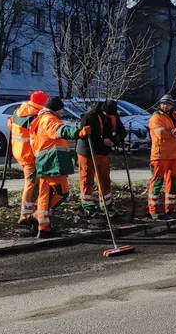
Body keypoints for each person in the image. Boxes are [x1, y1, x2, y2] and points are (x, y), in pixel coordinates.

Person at [29, 97, 88, 238]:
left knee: (44, 194)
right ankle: (38, 217)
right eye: (62, 109)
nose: (62, 112)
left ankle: (43, 227)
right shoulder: (49, 119)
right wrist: (78, 132)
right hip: (52, 164)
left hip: (44, 163)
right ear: (57, 109)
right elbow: (60, 131)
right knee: (62, 192)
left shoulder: (40, 120)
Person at [77, 100, 124, 222]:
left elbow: (122, 131)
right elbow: (84, 136)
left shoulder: (113, 115)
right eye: (107, 114)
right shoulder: (89, 117)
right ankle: (88, 206)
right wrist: (102, 141)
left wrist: (116, 138)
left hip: (103, 151)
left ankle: (106, 204)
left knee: (104, 179)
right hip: (88, 151)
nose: (109, 117)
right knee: (87, 179)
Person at [9, 91, 47, 234]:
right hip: (30, 156)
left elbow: (9, 125)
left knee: (32, 184)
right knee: (31, 184)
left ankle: (30, 212)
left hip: (20, 152)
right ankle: (25, 216)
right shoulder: (35, 117)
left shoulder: (18, 112)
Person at [148, 94, 176, 217]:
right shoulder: (156, 117)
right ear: (160, 104)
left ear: (171, 105)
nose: (165, 105)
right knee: (157, 182)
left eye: (168, 103)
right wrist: (174, 133)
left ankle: (170, 208)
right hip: (160, 155)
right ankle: (153, 210)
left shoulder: (175, 115)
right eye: (164, 103)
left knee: (173, 183)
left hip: (175, 154)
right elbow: (160, 134)